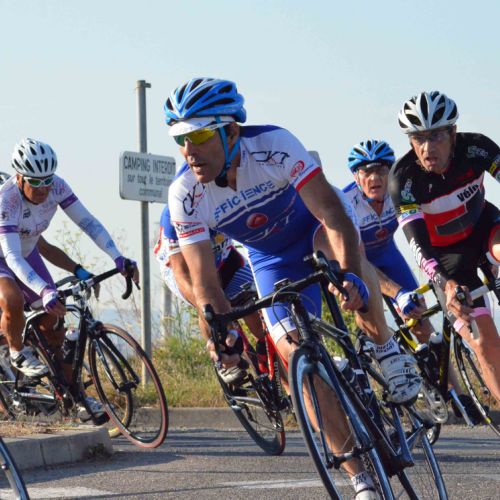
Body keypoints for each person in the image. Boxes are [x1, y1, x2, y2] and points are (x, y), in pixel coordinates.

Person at [165, 77, 420, 499]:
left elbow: (332, 213)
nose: (189, 149)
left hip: (315, 227)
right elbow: (206, 283)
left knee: (347, 268)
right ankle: (360, 478)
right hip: (270, 259)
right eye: (180, 139)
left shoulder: (274, 145)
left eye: (200, 135)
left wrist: (349, 274)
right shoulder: (185, 194)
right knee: (296, 361)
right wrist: (222, 333)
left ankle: (386, 349)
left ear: (231, 131)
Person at [0, 139, 138, 420]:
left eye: (47, 180)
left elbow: (88, 222)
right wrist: (43, 290)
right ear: (19, 177)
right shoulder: (7, 200)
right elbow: (12, 257)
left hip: (27, 254)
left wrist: (117, 257)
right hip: (5, 257)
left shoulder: (58, 187)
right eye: (35, 182)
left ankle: (74, 397)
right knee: (12, 299)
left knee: (55, 324)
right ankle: (16, 352)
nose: (43, 188)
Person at [343, 140, 479, 418]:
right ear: (356, 176)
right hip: (361, 263)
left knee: (421, 320)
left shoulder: (399, 193)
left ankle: (459, 399)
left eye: (382, 170)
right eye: (366, 171)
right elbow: (359, 261)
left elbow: (426, 233)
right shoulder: (348, 204)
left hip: (389, 256)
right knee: (371, 321)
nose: (375, 178)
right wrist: (397, 293)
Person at [390, 90, 500, 405]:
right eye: (418, 138)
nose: (427, 148)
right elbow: (418, 246)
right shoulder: (404, 180)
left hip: (484, 229)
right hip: (447, 259)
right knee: (483, 342)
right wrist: (447, 284)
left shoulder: (477, 148)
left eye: (435, 136)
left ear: (453, 133)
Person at [155, 200, 266, 382]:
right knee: (207, 304)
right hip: (185, 268)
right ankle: (222, 356)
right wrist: (206, 305)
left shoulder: (225, 197)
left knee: (255, 300)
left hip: (224, 258)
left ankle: (268, 354)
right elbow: (182, 274)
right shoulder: (174, 213)